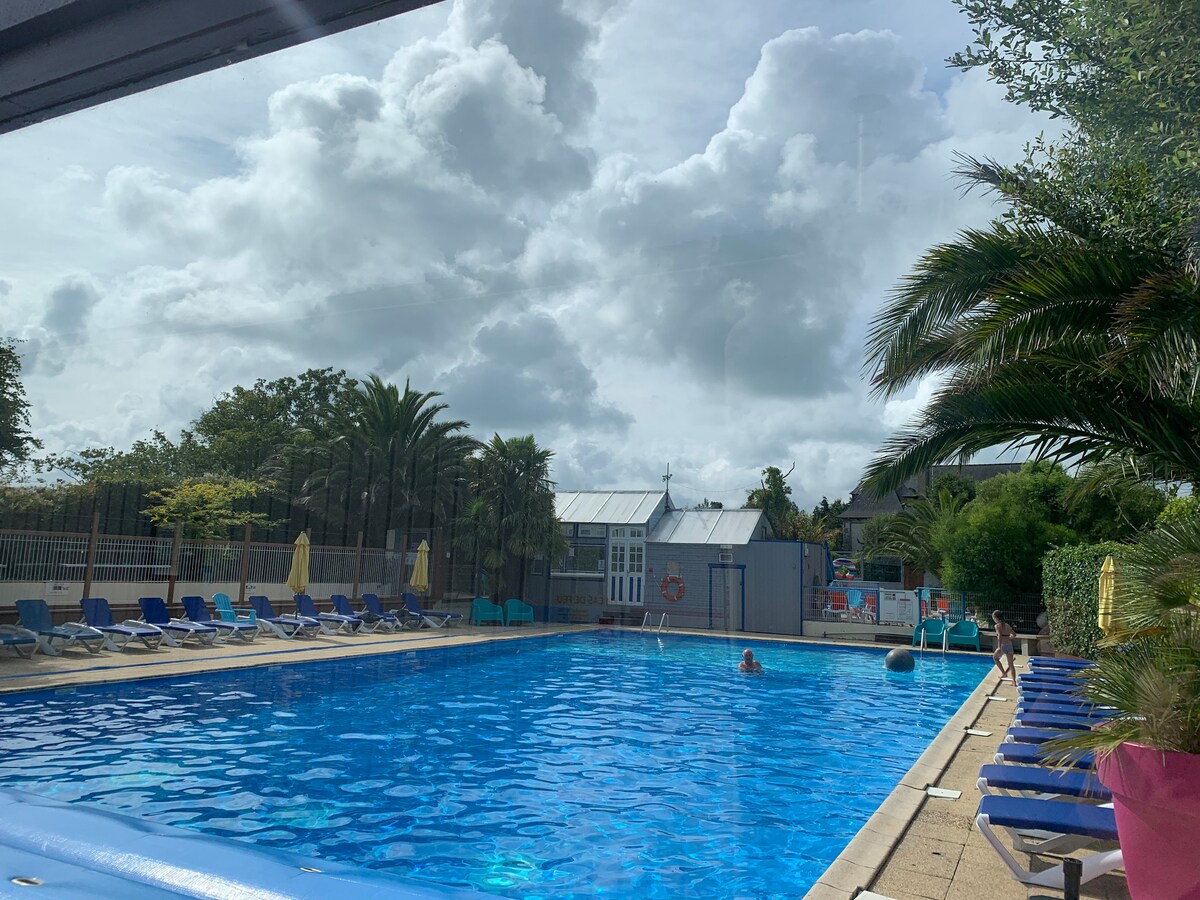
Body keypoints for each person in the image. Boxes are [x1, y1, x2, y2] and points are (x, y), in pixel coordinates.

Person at [991, 610, 1017, 687]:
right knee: (1011, 664)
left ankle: (1004, 673)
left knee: (995, 658)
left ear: (996, 618)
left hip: (1002, 645)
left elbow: (999, 636)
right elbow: (1014, 634)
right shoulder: (1007, 625)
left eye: (993, 618)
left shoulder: (997, 626)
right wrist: (1009, 637)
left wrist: (999, 647)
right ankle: (1014, 681)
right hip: (1009, 645)